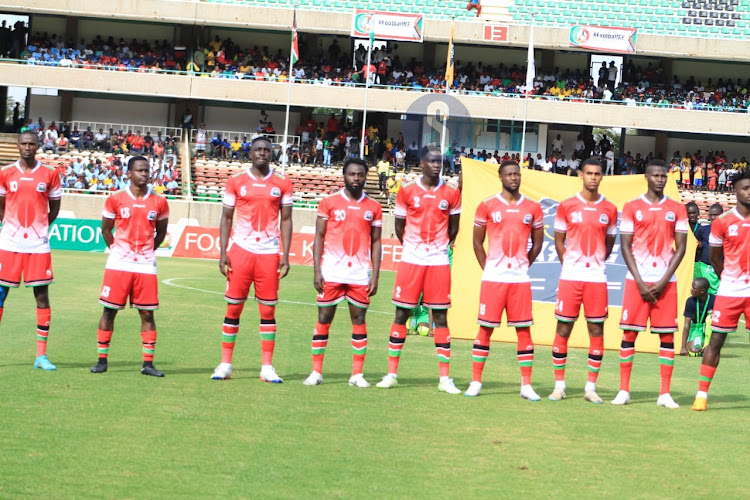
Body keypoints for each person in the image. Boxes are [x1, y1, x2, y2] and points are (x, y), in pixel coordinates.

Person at [376, 146, 461, 393]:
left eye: (440, 161)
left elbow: (453, 229)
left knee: (441, 318)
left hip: (438, 262)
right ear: (422, 163)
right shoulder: (407, 191)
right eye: (432, 161)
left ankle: (445, 379)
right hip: (412, 261)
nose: (437, 165)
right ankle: (391, 374)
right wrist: (416, 249)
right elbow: (400, 228)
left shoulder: (452, 193)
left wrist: (435, 248)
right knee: (401, 314)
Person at [211, 136, 293, 383]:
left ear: (272, 153)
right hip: (241, 251)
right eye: (258, 149)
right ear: (250, 153)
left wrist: (285, 255)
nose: (262, 153)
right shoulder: (236, 181)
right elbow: (226, 218)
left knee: (267, 310)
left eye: (267, 150)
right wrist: (223, 251)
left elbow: (286, 220)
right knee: (234, 307)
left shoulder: (282, 182)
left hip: (268, 254)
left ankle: (267, 367)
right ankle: (225, 364)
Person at [465, 160, 544, 399]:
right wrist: (488, 268)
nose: (513, 178)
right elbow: (477, 242)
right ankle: (476, 381)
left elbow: (538, 243)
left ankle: (526, 385)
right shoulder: (487, 206)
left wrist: (523, 264)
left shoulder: (533, 207)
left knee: (523, 330)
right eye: (509, 174)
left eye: (517, 174)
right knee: (485, 329)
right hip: (494, 280)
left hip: (519, 280)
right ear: (500, 177)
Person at [612, 159, 687, 408]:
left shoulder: (677, 208)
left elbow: (681, 247)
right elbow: (625, 246)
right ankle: (624, 390)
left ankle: (665, 393)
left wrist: (664, 280)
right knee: (629, 334)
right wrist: (640, 281)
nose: (660, 179)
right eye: (655, 175)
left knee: (666, 337)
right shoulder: (632, 206)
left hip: (667, 282)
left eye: (663, 176)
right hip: (637, 281)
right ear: (646, 176)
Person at [303, 158, 382, 387]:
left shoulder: (374, 207)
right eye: (351, 174)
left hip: (359, 274)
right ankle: (316, 371)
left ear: (365, 177)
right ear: (344, 176)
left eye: (360, 174)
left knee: (359, 320)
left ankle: (357, 375)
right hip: (331, 272)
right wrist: (317, 270)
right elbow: (318, 236)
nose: (356, 178)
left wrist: (375, 274)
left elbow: (376, 243)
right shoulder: (329, 202)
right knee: (324, 318)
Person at [90, 156, 169, 376]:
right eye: (140, 170)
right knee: (109, 310)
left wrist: (148, 250)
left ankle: (148, 364)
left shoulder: (160, 201)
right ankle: (102, 360)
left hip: (145, 264)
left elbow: (161, 232)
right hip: (118, 264)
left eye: (147, 170)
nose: (144, 174)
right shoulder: (115, 199)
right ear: (129, 173)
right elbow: (106, 229)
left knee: (147, 314)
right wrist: (116, 250)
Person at [548, 159, 617, 403]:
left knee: (596, 330)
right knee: (563, 328)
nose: (593, 177)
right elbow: (559, 240)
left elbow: (609, 243)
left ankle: (591, 387)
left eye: (597, 174)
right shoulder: (566, 206)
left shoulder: (609, 208)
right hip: (571, 277)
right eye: (589, 173)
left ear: (602, 176)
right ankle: (559, 386)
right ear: (581, 175)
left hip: (596, 278)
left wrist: (596, 262)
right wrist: (569, 264)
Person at [0, 132, 62, 370]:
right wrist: (10, 228)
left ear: (38, 146)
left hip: (38, 245)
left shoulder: (50, 173)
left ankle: (41, 356)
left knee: (42, 296)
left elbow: (54, 207)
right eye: (24, 143)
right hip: (9, 244)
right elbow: (1, 205)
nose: (27, 147)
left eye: (31, 144)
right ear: (18, 146)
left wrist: (41, 227)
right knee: (0, 295)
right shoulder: (5, 172)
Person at [692, 169, 750, 411]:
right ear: (735, 191)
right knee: (716, 341)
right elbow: (715, 258)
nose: (749, 192)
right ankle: (701, 396)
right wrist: (729, 277)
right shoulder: (723, 222)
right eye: (745, 188)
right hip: (730, 291)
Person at [679, 277, 715, 357]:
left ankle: (708, 345)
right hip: (696, 328)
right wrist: (683, 347)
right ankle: (703, 347)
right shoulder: (690, 301)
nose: (691, 290)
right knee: (694, 352)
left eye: (693, 288)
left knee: (710, 319)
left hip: (710, 329)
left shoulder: (714, 300)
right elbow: (686, 326)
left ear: (702, 291)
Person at [693, 203, 723, 295]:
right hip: (703, 267)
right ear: (708, 216)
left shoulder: (727, 230)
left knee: (718, 295)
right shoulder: (703, 229)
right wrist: (698, 247)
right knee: (702, 293)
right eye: (711, 215)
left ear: (722, 215)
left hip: (719, 268)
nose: (713, 217)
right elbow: (694, 244)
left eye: (716, 215)